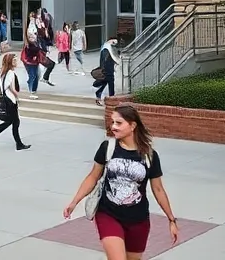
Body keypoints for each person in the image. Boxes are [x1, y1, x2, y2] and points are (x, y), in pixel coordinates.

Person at [63, 104, 179, 260]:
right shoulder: (108, 148)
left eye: (119, 123)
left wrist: (171, 219)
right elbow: (93, 177)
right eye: (113, 122)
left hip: (138, 219)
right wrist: (74, 202)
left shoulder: (149, 155)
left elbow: (158, 189)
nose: (113, 127)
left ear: (133, 126)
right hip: (108, 213)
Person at [0, 52, 30, 151]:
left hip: (6, 98)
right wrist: (18, 96)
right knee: (12, 122)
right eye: (14, 60)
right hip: (10, 101)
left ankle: (19, 144)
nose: (16, 62)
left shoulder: (2, 73)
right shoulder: (11, 73)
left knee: (14, 122)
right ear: (10, 62)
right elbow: (12, 88)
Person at [95, 35, 119, 104]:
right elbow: (105, 59)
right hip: (107, 68)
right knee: (110, 82)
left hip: (107, 68)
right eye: (114, 42)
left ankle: (99, 93)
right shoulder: (106, 48)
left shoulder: (106, 46)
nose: (114, 44)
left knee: (106, 81)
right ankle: (112, 97)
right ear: (111, 40)